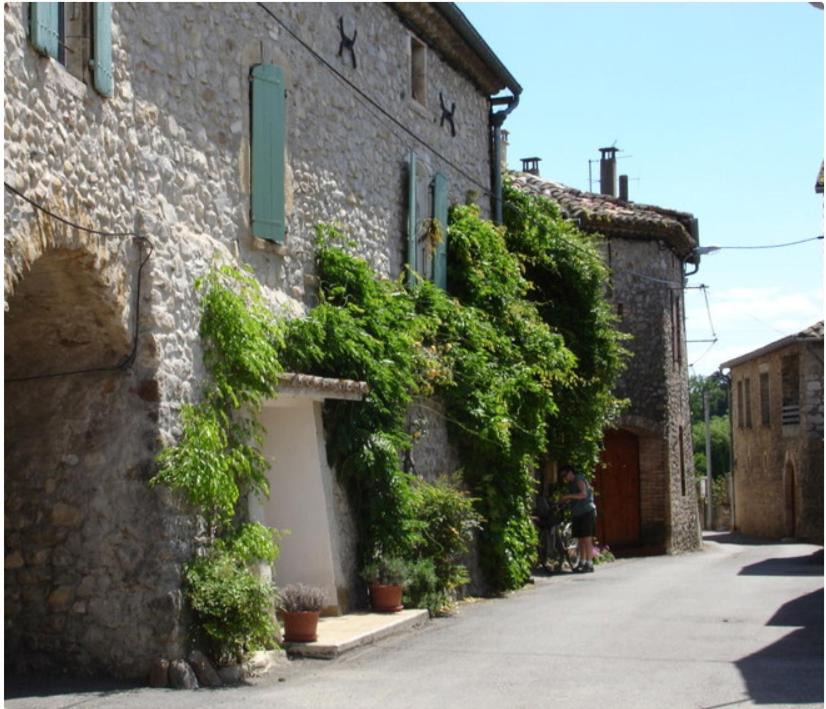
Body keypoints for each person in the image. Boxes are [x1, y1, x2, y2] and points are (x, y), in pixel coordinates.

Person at [559, 464, 597, 573]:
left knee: (587, 539)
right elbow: (576, 497)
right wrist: (566, 500)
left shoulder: (579, 479)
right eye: (563, 476)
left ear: (571, 472)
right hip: (578, 513)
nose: (565, 478)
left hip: (586, 512)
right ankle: (582, 562)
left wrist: (568, 496)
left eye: (565, 475)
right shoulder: (572, 483)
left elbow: (583, 494)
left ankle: (589, 564)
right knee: (580, 539)